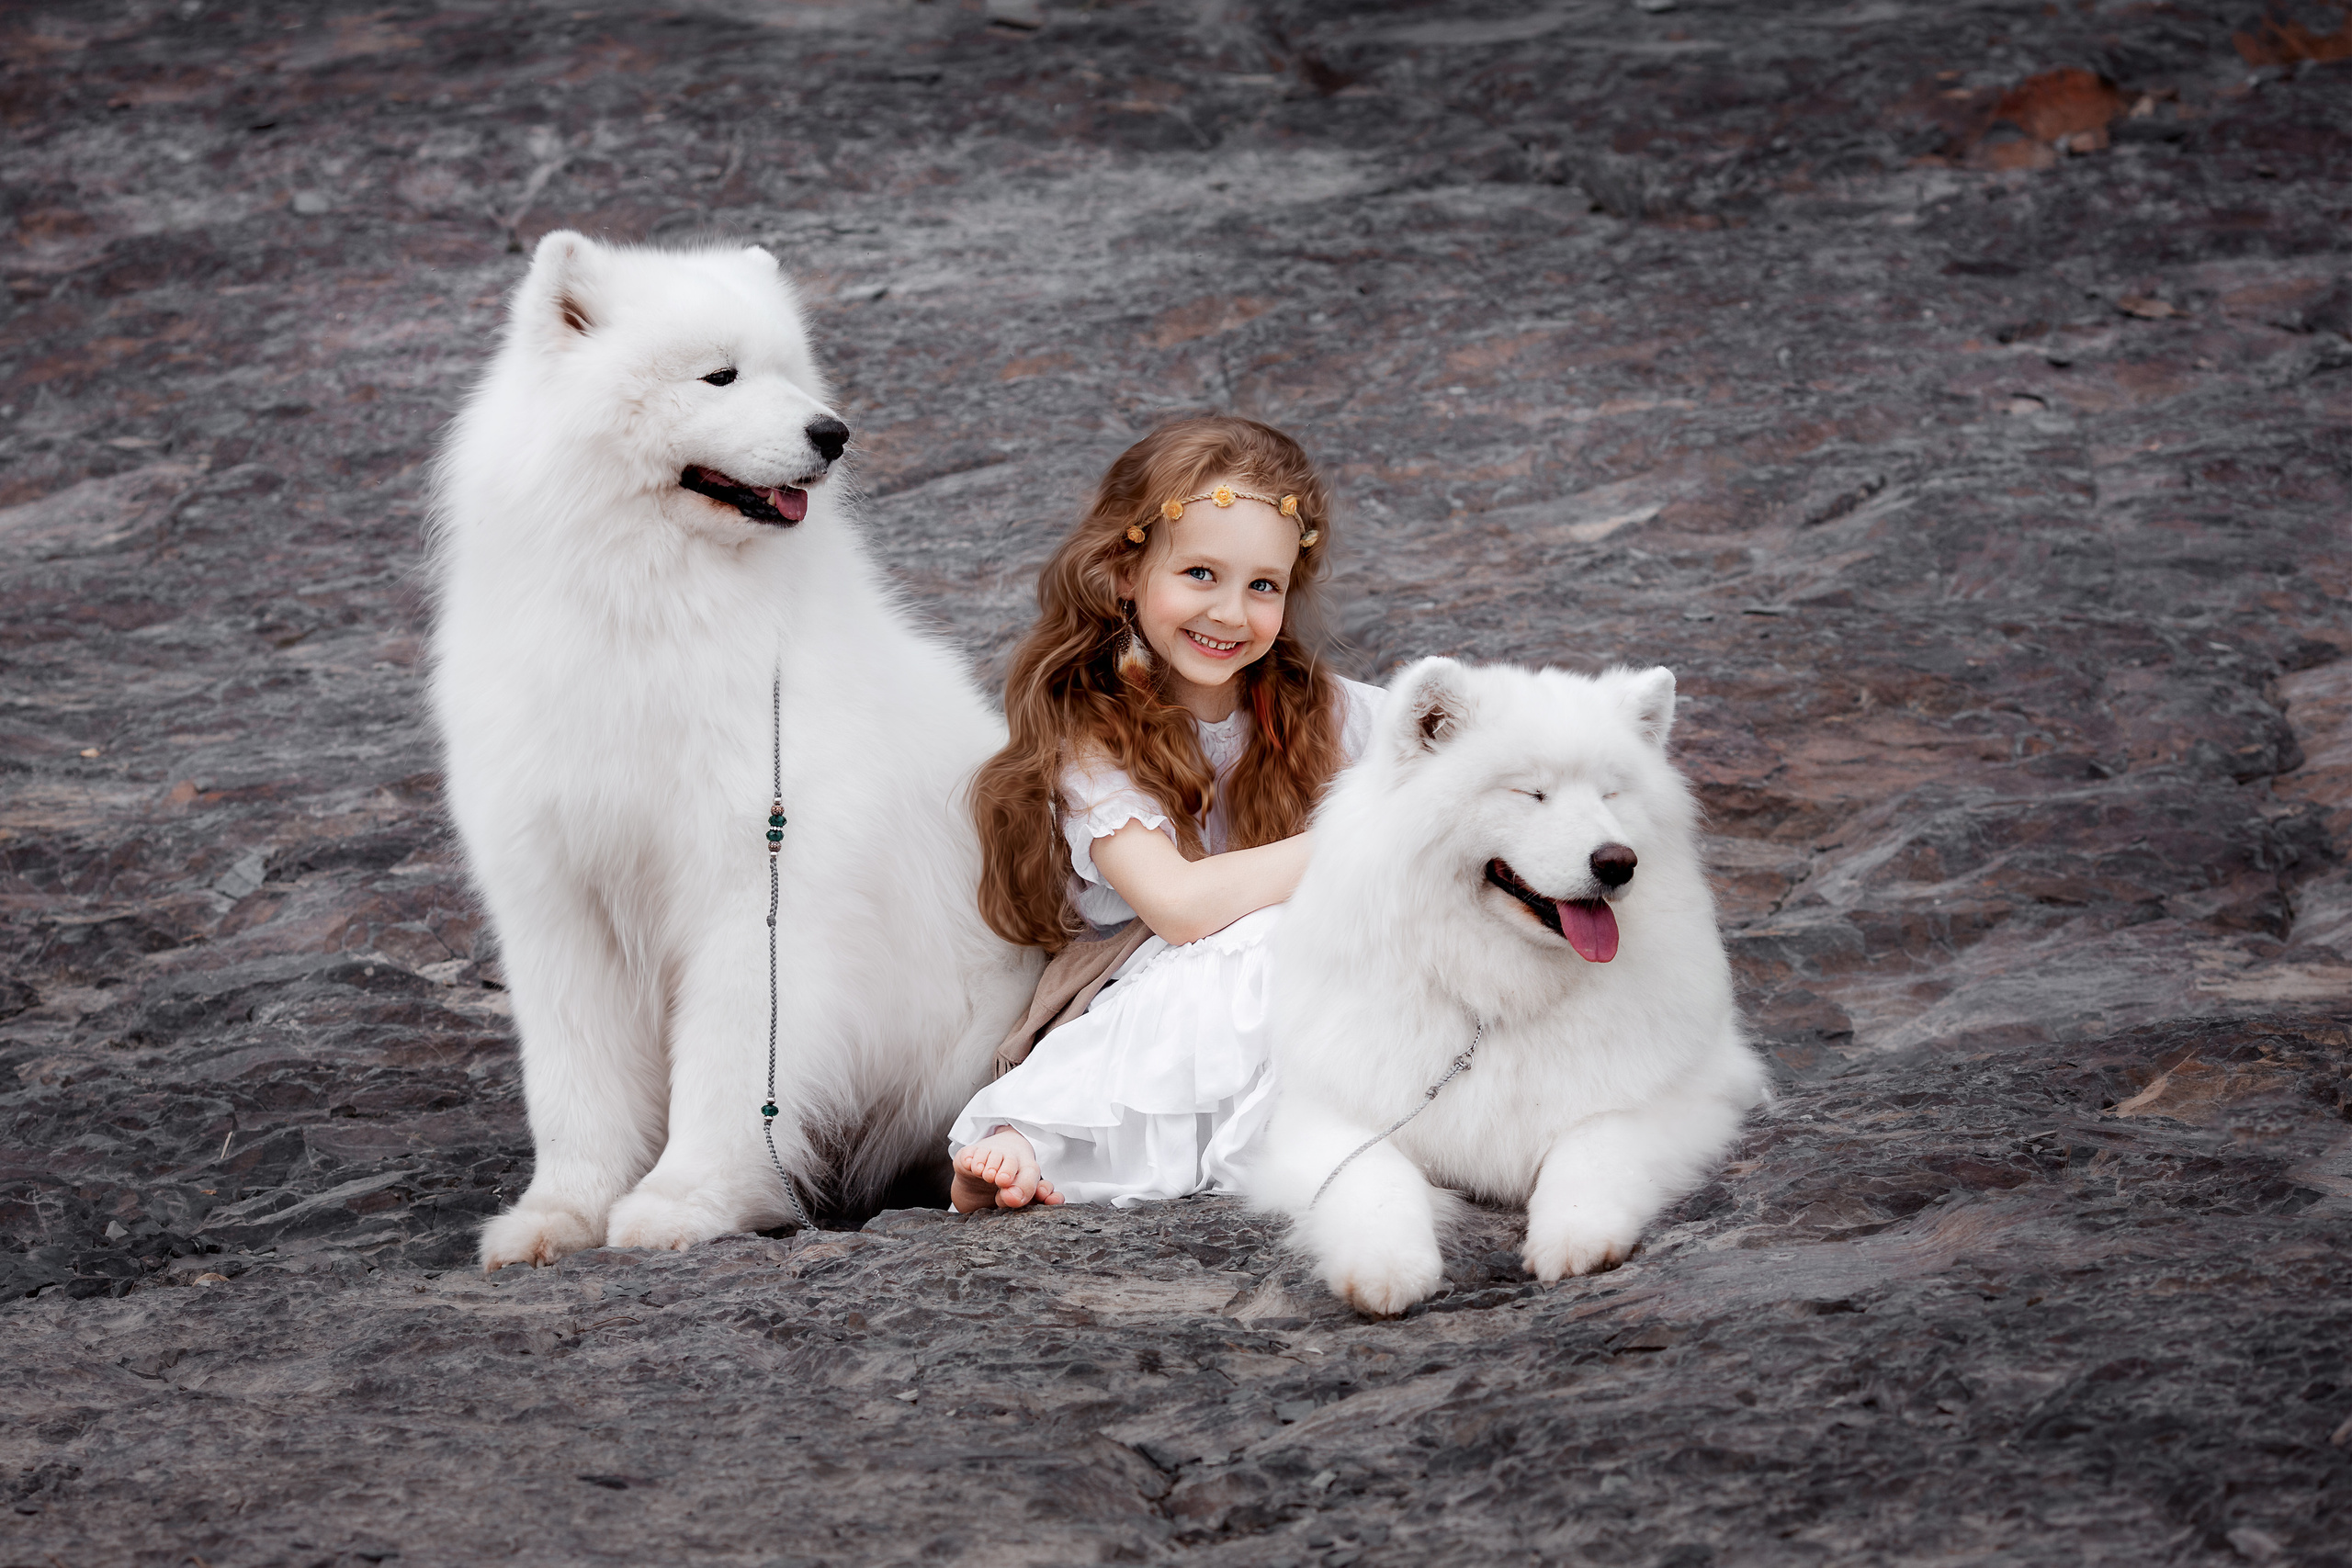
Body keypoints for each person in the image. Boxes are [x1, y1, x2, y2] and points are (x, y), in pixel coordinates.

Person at [949, 414, 1385, 1213]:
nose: (1228, 612)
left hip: (1298, 978)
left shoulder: (1320, 708)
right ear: (1124, 569)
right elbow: (1179, 907)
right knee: (1277, 934)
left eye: (1264, 586)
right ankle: (1038, 1136)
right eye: (1200, 574)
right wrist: (1366, 836)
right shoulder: (1093, 731)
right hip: (1133, 985)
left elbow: (1454, 753)